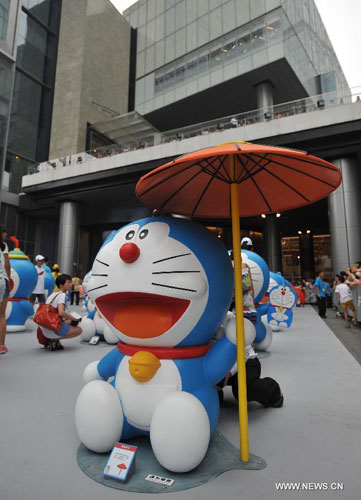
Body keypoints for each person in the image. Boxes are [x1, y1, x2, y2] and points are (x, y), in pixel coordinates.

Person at [36, 274, 82, 350]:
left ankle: (54, 340)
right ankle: (55, 339)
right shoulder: (62, 296)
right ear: (61, 285)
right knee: (79, 330)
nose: (71, 284)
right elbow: (61, 313)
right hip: (52, 329)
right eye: (68, 282)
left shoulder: (53, 295)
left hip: (45, 328)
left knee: (68, 321)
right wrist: (73, 318)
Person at [0, 225, 10, 354]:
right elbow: (7, 264)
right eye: (4, 232)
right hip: (2, 280)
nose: (6, 235)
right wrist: (8, 278)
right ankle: (1, 345)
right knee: (1, 315)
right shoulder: (3, 246)